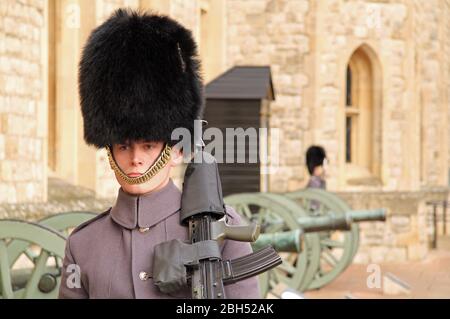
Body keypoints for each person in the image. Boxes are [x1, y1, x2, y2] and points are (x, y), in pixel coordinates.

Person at [58, 9, 259, 299]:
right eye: (124, 146)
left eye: (149, 145)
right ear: (110, 150)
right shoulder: (83, 244)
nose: (135, 158)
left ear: (176, 151)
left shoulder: (225, 230)